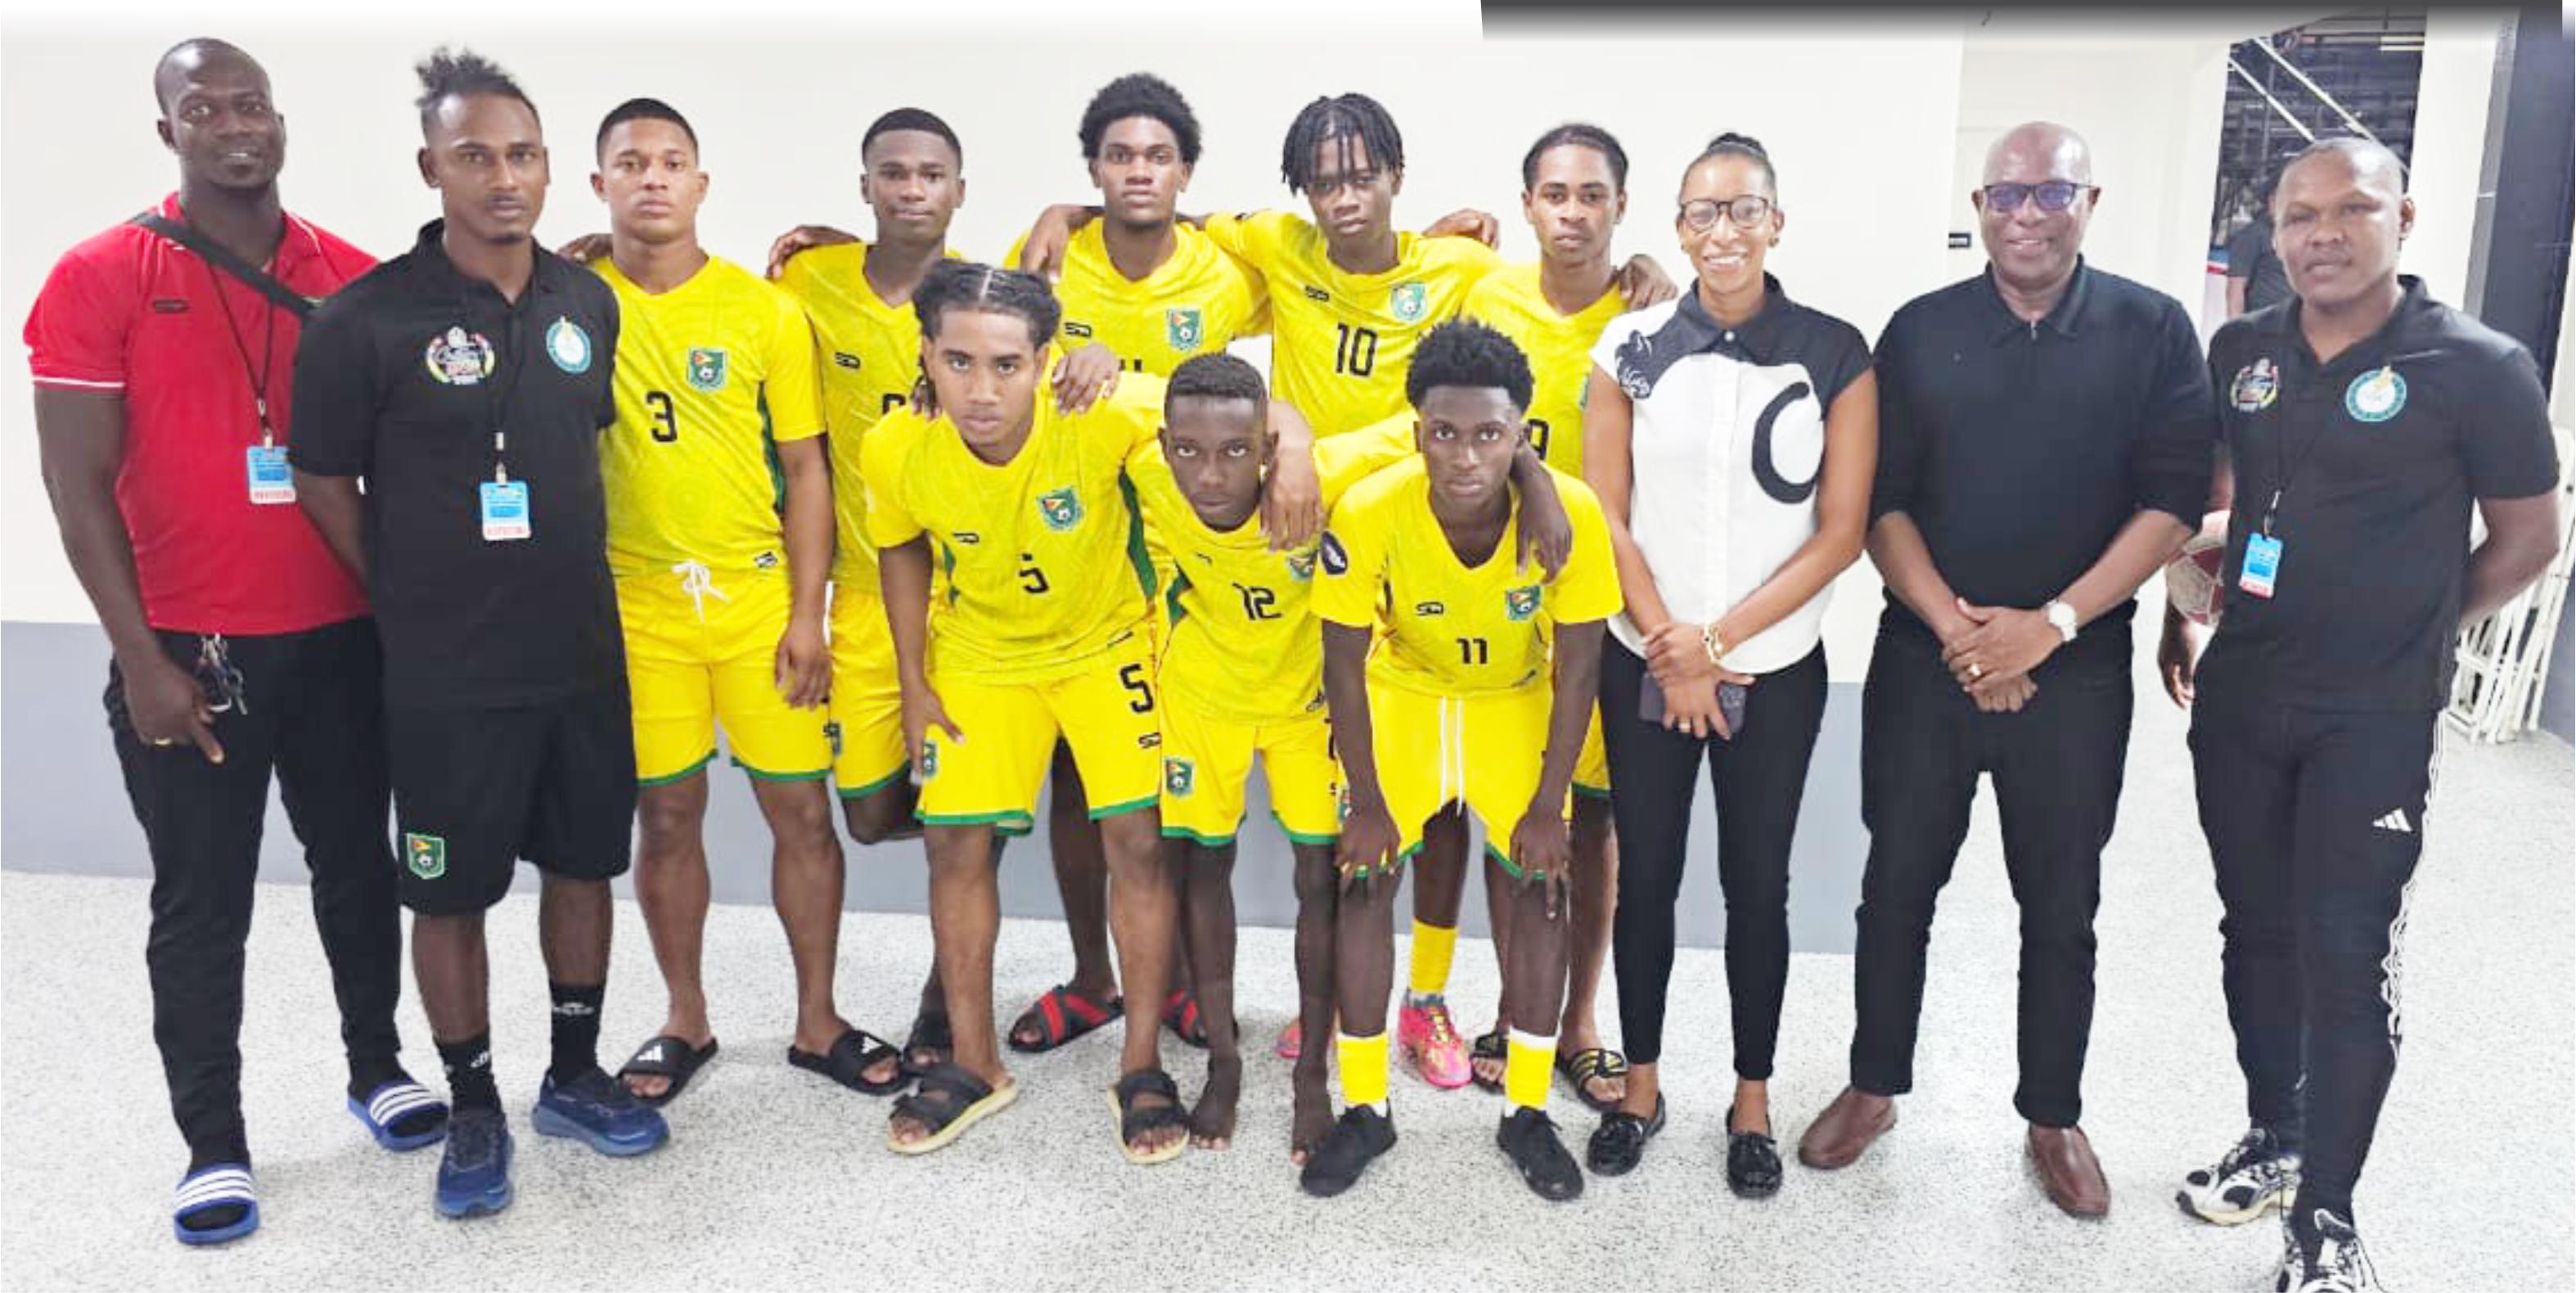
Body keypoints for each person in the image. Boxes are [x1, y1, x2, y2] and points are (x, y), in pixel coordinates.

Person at [25, 38, 445, 1246]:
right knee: (203, 903)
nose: (232, 124)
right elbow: (76, 491)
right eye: (202, 108)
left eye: (250, 102)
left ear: (281, 119)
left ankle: (378, 1067)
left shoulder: (348, 274)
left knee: (357, 869)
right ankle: (214, 1142)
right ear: (169, 133)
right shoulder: (99, 275)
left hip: (343, 642)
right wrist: (140, 659)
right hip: (191, 653)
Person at [2163, 137, 2562, 1293]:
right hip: (2244, 697)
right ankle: (2276, 1136)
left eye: (2351, 210)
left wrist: (2422, 625)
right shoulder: (2243, 349)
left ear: (2405, 218)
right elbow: (2234, 496)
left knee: (2345, 957)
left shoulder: (2478, 365)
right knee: (2255, 932)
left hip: (2372, 715)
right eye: (2299, 215)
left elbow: (2529, 537)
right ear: (2276, 231)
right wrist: (2185, 606)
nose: (2322, 234)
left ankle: (2326, 1221)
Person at [1795, 121, 2214, 1219]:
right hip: (1923, 662)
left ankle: (2052, 1114)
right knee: (1896, 887)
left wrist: (2052, 626)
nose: (2028, 214)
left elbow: (2170, 502)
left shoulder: (2153, 329)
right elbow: (1876, 500)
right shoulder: (1920, 331)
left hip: (2077, 672)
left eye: (2052, 193)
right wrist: (1962, 633)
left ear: (2090, 202)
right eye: (2007, 195)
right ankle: (1873, 1084)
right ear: (1979, 207)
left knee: (2061, 904)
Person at [290, 48, 669, 1221]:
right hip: (445, 670)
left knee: (585, 865)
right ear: (430, 169)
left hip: (580, 654)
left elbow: (577, 442)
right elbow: (321, 478)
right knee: (448, 894)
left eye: (522, 155)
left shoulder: (585, 301)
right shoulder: (362, 320)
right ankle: (471, 1103)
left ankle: (573, 1073)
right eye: (474, 156)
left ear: (549, 167)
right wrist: (403, 588)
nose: (503, 178)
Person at [861, 261, 1318, 1163]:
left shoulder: (1099, 407)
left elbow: (1241, 409)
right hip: (981, 653)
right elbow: (900, 547)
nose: (981, 389)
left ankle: (1140, 1065)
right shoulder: (895, 446)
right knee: (954, 844)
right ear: (926, 356)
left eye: (1005, 365)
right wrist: (914, 680)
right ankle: (974, 1062)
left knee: (1138, 842)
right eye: (958, 362)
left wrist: (1295, 451)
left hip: (1108, 645)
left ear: (1043, 361)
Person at [763, 111, 1142, 1069]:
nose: (911, 189)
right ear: (864, 186)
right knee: (871, 812)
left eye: (930, 175)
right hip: (867, 589)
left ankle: (950, 995)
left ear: (959, 190)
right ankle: (975, 851)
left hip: (986, 602)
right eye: (891, 173)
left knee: (967, 815)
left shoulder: (991, 293)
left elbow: (1075, 353)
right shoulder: (809, 280)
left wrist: (1072, 218)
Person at [1136, 352, 1568, 1160]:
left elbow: (1456, 431)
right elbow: (1089, 396)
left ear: (1266, 448)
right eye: (1188, 450)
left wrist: (1535, 478)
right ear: (1165, 446)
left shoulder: (1329, 468)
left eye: (1236, 450)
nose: (1210, 472)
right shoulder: (1147, 465)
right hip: (1202, 700)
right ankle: (1224, 1064)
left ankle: (1314, 1080)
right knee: (1200, 866)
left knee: (1325, 878)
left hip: (1309, 707)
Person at [574, 97, 896, 1106]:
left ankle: (817, 1018)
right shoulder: (572, 303)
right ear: (599, 184)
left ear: (702, 184)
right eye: (632, 162)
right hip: (637, 604)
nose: (653, 177)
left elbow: (807, 469)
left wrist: (808, 613)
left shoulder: (765, 312)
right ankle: (685, 1017)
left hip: (758, 601)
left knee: (800, 811)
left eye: (673, 161)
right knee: (667, 815)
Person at [1578, 133, 1876, 1195]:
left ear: (1776, 222)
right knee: (1647, 880)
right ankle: (1641, 1086)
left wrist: (1713, 644)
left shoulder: (1833, 351)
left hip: (1775, 668)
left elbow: (1840, 532)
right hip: (1644, 659)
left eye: (1744, 209)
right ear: (1677, 227)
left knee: (1758, 884)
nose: (1723, 231)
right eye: (1702, 213)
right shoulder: (1629, 347)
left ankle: (1751, 1099)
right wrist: (1672, 644)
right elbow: (1605, 514)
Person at [1304, 320, 1622, 1202]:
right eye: (1443, 432)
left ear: (1520, 433)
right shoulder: (1372, 507)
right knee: (1362, 879)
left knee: (1542, 888)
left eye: (1489, 433)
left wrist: (1550, 806)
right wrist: (1366, 799)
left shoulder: (1571, 512)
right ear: (1417, 432)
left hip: (1511, 702)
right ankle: (1365, 1106)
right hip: (1405, 694)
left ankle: (1527, 1110)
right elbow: (1341, 659)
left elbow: (1579, 665)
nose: (1465, 454)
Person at [1451, 121, 1637, 1112]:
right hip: (1498, 598)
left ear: (1620, 206)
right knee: (1510, 809)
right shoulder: (1486, 295)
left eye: (1591, 194)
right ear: (1526, 204)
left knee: (1593, 817)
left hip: (1601, 602)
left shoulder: (1650, 315)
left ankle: (1579, 1022)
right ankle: (1510, 1002)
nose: (1572, 212)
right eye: (1554, 194)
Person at [2225, 169, 2292, 318]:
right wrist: (2236, 327)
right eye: (2276, 197)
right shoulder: (2253, 235)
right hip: (2263, 322)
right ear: (2269, 200)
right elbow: (2235, 288)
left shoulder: (2299, 235)